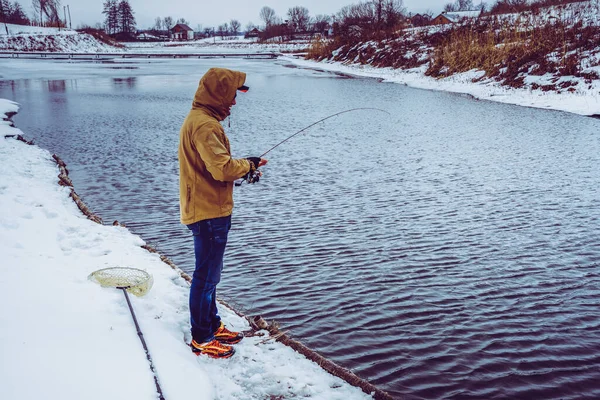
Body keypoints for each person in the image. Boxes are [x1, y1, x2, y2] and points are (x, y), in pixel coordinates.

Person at [178, 67, 266, 359]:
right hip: (207, 214)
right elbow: (222, 169)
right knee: (205, 276)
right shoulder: (205, 125)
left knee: (211, 274)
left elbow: (215, 168)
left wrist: (245, 165)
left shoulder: (201, 119)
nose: (234, 103)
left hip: (207, 208)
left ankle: (212, 325)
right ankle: (201, 337)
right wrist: (248, 165)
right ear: (218, 95)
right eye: (231, 96)